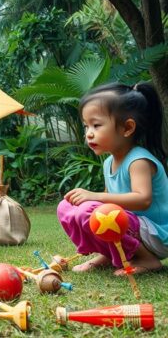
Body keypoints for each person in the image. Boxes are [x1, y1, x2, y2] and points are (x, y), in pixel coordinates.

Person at [58, 82, 168, 275]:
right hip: (133, 228)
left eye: (97, 125)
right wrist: (95, 200)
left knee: (91, 211)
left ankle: (147, 259)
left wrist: (95, 196)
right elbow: (110, 202)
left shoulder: (138, 160)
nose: (89, 133)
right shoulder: (109, 162)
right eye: (86, 126)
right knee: (66, 207)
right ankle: (109, 255)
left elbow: (143, 200)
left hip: (156, 235)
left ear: (127, 128)